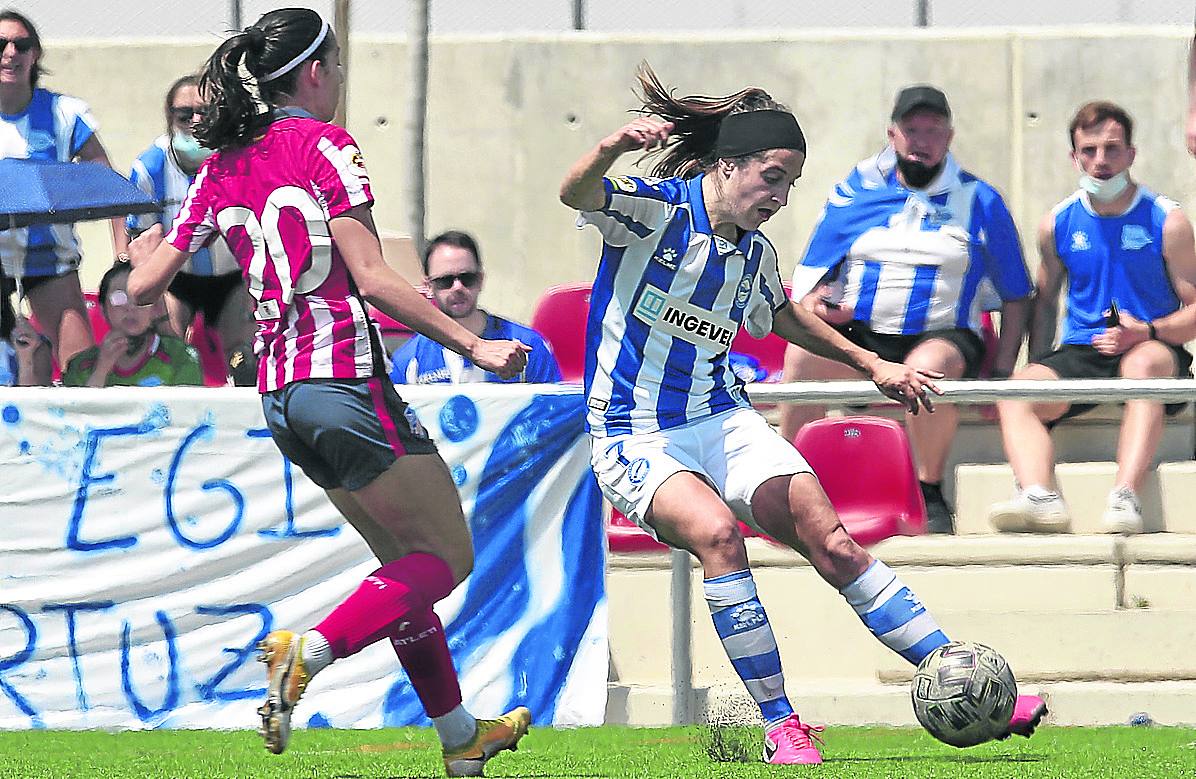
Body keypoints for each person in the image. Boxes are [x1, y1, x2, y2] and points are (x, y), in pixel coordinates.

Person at [559, 64, 1045, 765]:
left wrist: (873, 364)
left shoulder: (754, 254)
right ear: (728, 166)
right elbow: (574, 192)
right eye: (773, 177)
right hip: (632, 434)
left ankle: (964, 683)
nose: (783, 196)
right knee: (719, 537)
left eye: (790, 181)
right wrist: (608, 147)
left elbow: (785, 316)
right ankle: (781, 723)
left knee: (837, 543)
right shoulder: (653, 210)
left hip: (721, 418)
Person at [125, 9, 531, 777]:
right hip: (340, 376)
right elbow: (373, 277)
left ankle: (460, 737)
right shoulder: (327, 144)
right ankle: (307, 650)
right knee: (446, 554)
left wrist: (146, 249)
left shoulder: (221, 164)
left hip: (279, 395)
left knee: (398, 567)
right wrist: (474, 343)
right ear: (315, 72)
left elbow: (145, 283)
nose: (341, 82)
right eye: (338, 68)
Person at [778, 85, 1033, 535]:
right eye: (912, 130)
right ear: (892, 135)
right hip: (865, 336)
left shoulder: (979, 200)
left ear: (949, 137)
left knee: (927, 367)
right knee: (801, 356)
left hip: (943, 334)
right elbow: (811, 280)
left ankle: (928, 489)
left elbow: (1016, 292)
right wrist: (819, 304)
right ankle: (780, 485)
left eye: (933, 131)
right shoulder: (855, 192)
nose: (922, 140)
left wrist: (1004, 368)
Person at [988, 101, 1196, 535]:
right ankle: (1039, 497)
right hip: (1083, 350)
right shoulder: (1058, 221)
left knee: (1143, 365)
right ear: (1074, 156)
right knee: (1016, 391)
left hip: (1150, 345)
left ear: (1131, 154)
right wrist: (1038, 363)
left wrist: (1147, 331)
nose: (1101, 161)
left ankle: (1125, 496)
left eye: (1112, 148)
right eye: (1089, 150)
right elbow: (1044, 303)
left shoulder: (1167, 219)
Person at [0, 9, 128, 368]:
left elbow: (109, 184)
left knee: (81, 367)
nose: (10, 53)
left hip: (48, 258)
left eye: (21, 45)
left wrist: (122, 256)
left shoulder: (65, 114)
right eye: (1, 44)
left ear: (35, 54)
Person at [128, 74, 255, 384]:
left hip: (232, 277)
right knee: (169, 346)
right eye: (185, 114)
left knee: (244, 356)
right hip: (177, 278)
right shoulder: (150, 166)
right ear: (170, 117)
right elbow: (140, 239)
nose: (195, 121)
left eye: (206, 112)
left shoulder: (241, 159)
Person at [390, 230, 562, 384]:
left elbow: (554, 413)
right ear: (428, 287)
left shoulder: (528, 346)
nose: (458, 287)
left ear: (480, 280)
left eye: (467, 278)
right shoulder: (408, 360)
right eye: (445, 281)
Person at [62, 260, 202, 387]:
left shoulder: (182, 358)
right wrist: (101, 371)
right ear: (103, 310)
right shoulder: (81, 365)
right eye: (119, 298)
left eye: (140, 298)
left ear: (155, 309)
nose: (130, 307)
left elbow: (186, 411)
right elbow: (80, 414)